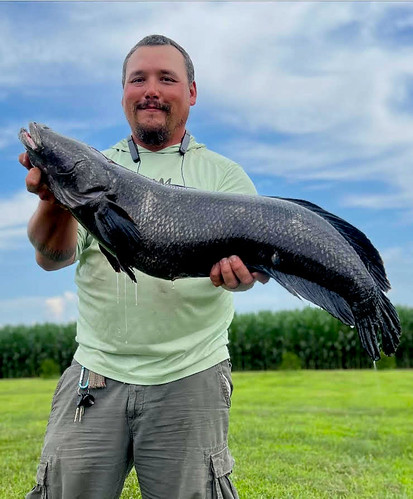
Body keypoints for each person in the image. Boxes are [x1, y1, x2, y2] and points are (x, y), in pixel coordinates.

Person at [21, 34, 267, 499]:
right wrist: (54, 200)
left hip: (190, 375)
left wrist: (244, 278)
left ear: (191, 92)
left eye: (166, 78)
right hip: (95, 374)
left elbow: (247, 270)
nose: (150, 89)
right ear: (124, 94)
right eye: (138, 79)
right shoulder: (94, 167)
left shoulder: (226, 178)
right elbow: (50, 258)